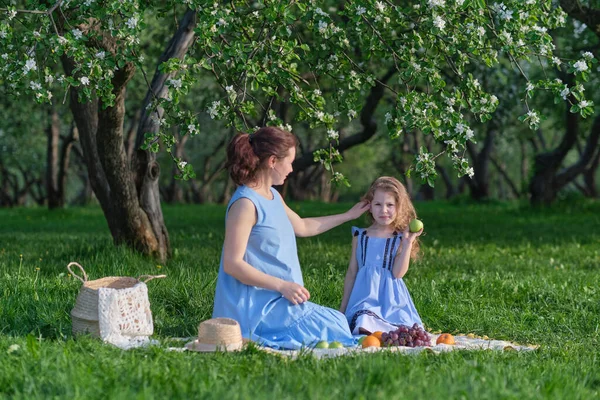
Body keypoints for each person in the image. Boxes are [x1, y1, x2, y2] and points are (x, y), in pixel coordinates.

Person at [212, 126, 369, 349]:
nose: (292, 169)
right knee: (334, 328)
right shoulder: (245, 204)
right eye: (290, 162)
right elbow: (232, 264)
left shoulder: (273, 196)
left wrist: (348, 215)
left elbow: (303, 226)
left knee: (337, 322)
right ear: (273, 161)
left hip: (278, 301)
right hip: (255, 309)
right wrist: (282, 286)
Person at [339, 176, 424, 335]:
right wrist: (342, 310)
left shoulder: (400, 238)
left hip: (391, 303)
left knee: (402, 331)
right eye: (378, 204)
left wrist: (407, 244)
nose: (383, 210)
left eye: (390, 205)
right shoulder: (360, 235)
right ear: (369, 206)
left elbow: (398, 273)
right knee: (363, 319)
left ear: (399, 207)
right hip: (364, 300)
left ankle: (384, 332)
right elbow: (352, 273)